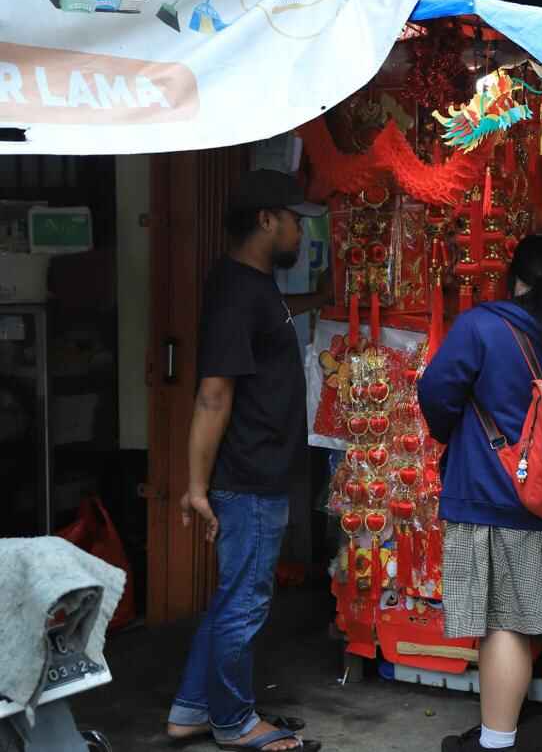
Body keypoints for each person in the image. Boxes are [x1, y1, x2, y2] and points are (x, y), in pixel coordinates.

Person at [419, 235, 542, 752]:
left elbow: (436, 394)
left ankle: (496, 742)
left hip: (494, 494)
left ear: (517, 279)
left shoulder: (481, 327)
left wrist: (458, 438)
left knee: (504, 621)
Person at [166, 169, 327, 752]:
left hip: (255, 472)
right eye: (295, 221)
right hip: (249, 477)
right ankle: (235, 722)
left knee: (232, 595)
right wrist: (195, 486)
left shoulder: (256, 288)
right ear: (266, 220)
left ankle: (190, 710)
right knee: (244, 604)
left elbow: (275, 319)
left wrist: (325, 300)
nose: (302, 233)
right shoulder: (238, 292)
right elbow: (214, 393)